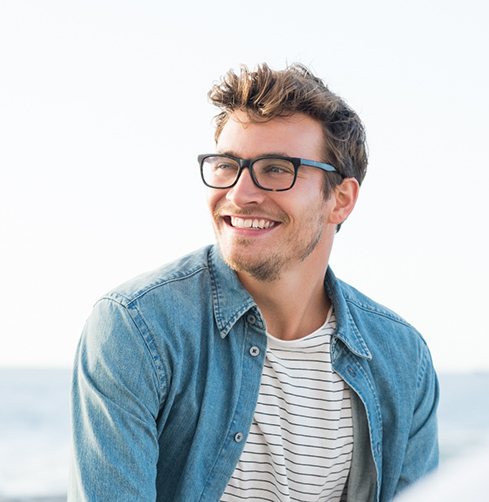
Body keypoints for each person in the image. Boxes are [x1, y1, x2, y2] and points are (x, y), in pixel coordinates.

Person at [69, 63, 439, 502]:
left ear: (340, 200)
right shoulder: (138, 330)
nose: (240, 194)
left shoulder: (402, 358)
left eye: (277, 169)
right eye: (227, 165)